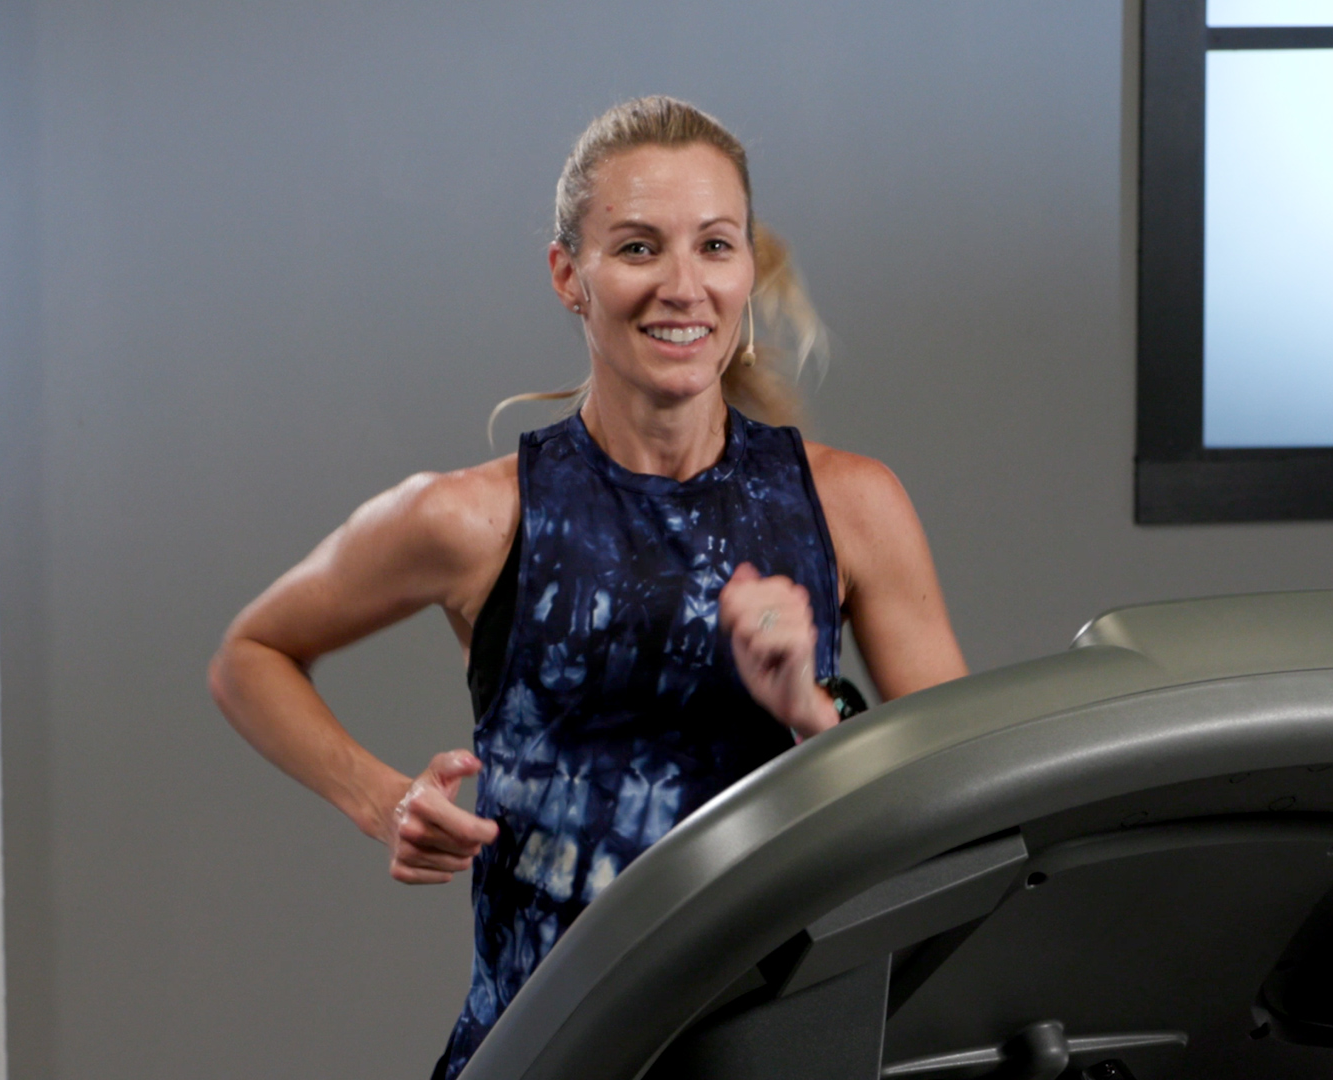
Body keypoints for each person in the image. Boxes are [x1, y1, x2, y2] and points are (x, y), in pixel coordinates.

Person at [207, 96, 968, 1079]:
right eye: (639, 248)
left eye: (715, 246)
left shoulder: (851, 505)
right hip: (550, 1050)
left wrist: (812, 716)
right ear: (571, 274)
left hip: (779, 1049)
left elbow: (958, 808)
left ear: (747, 271)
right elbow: (249, 657)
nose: (683, 286)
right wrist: (383, 799)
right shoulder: (476, 518)